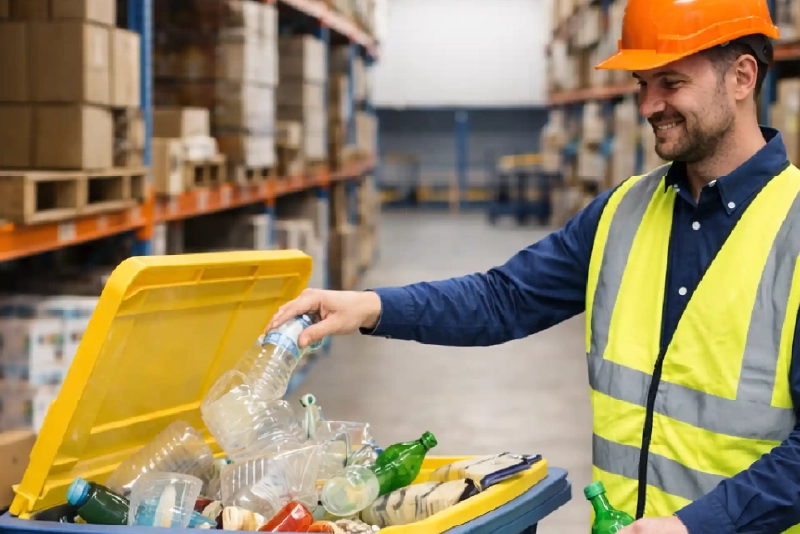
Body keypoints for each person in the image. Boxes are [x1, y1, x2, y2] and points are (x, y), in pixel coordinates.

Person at [269, 0, 800, 531]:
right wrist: (371, 306)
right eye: (642, 83)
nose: (647, 105)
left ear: (742, 77)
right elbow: (504, 299)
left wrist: (696, 526)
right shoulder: (622, 213)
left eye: (670, 82)